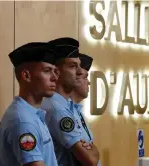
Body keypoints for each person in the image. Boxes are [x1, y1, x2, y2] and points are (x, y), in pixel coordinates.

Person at [0, 42, 59, 166]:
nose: (54, 77)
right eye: (47, 71)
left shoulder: (32, 114)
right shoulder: (24, 121)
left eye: (54, 71)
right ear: (26, 75)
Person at [41, 37, 98, 166]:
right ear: (57, 72)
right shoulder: (57, 109)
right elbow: (90, 160)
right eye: (73, 66)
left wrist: (91, 149)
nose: (79, 71)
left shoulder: (68, 106)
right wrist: (94, 149)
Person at [71, 54, 101, 166]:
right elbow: (90, 160)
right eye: (85, 77)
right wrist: (96, 152)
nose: (88, 82)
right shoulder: (63, 113)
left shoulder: (78, 111)